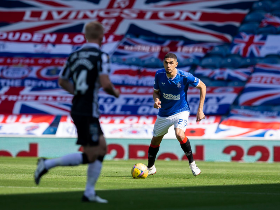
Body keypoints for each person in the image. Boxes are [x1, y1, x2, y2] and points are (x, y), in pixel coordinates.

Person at [34, 21, 120, 203]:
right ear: (102, 37)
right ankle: (46, 164)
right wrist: (115, 93)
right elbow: (105, 83)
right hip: (88, 110)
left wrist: (79, 92)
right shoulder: (101, 56)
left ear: (85, 36)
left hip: (79, 106)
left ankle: (89, 192)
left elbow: (62, 81)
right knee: (92, 154)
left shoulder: (74, 56)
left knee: (102, 147)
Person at [147, 52, 206, 176]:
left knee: (179, 134)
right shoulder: (159, 74)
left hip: (181, 111)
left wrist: (200, 110)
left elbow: (203, 86)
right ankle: (150, 167)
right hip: (164, 113)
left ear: (176, 64)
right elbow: (156, 92)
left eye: (171, 63)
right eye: (166, 63)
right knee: (155, 141)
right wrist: (156, 100)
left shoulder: (184, 76)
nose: (168, 65)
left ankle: (193, 165)